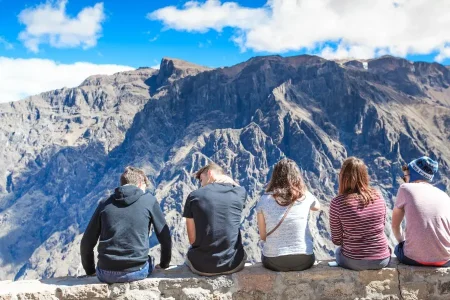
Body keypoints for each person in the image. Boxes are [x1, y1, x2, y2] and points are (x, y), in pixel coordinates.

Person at [80, 166, 172, 283]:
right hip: (136, 271)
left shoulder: (104, 203)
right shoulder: (149, 201)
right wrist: (164, 264)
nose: (145, 190)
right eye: (145, 186)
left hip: (105, 272)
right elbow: (165, 237)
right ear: (140, 183)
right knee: (150, 260)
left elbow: (86, 242)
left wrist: (90, 271)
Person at [256, 158, 320, 272]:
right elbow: (317, 206)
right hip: (304, 259)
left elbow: (263, 236)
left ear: (275, 177)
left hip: (273, 261)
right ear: (297, 177)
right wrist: (302, 189)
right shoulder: (305, 197)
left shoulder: (264, 200)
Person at [183, 163, 247, 276]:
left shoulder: (194, 196)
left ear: (209, 173)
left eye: (201, 180)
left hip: (201, 266)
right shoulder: (240, 192)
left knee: (188, 256)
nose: (201, 185)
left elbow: (192, 240)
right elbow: (237, 187)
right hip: (233, 264)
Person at [329, 157, 390, 271]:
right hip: (382, 259)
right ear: (364, 175)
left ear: (342, 177)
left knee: (338, 252)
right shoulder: (378, 196)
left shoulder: (338, 203)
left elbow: (336, 240)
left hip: (355, 261)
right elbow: (382, 225)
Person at [392, 156, 450, 267]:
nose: (405, 180)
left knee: (397, 249)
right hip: (445, 260)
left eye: (405, 177)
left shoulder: (405, 188)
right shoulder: (444, 196)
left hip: (414, 258)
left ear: (412, 174)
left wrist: (401, 242)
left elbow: (395, 225)